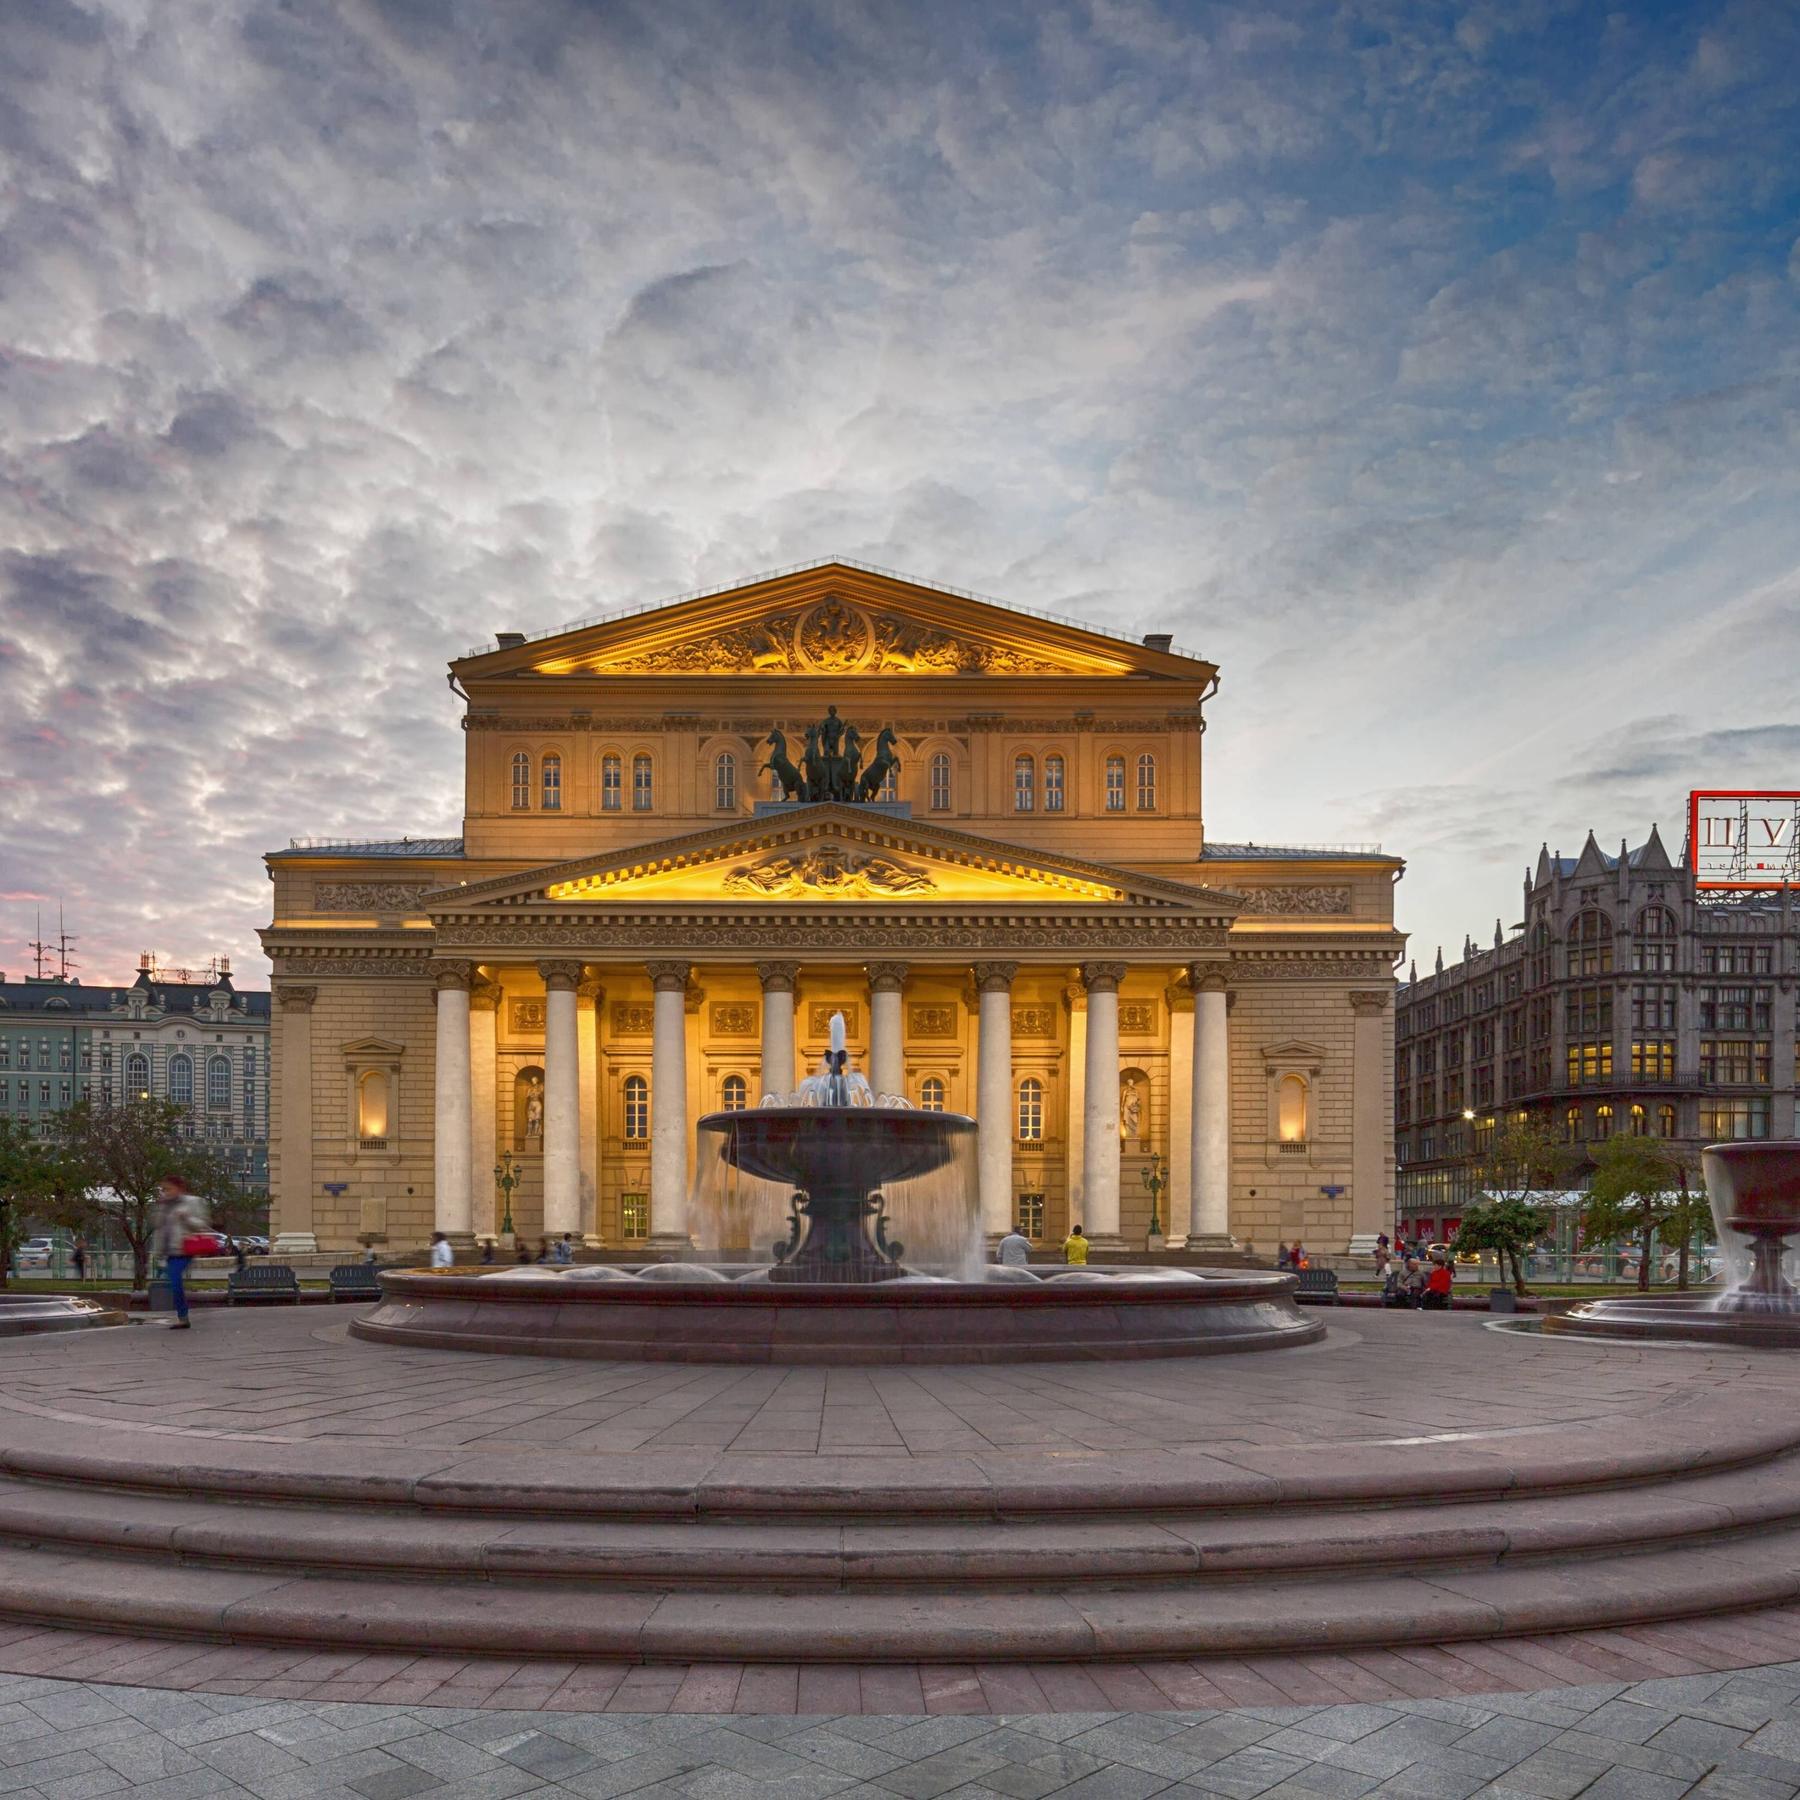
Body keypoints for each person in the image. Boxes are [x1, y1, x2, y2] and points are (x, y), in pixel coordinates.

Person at [153, 1174, 211, 1331]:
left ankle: (183, 1317)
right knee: (174, 1282)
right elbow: (160, 1229)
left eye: (168, 1189)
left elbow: (203, 1225)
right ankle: (182, 1317)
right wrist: (157, 1251)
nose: (165, 1192)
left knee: (175, 1281)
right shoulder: (164, 1206)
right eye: (163, 1189)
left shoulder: (192, 1202)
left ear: (179, 1188)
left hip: (185, 1249)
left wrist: (186, 1218)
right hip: (170, 1250)